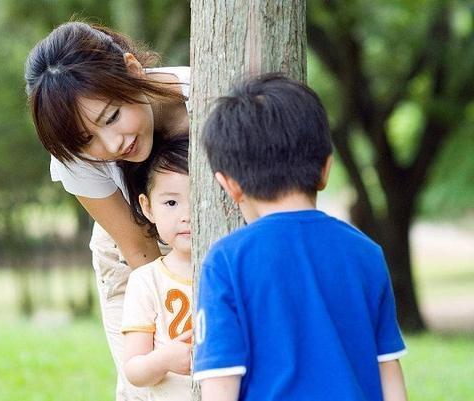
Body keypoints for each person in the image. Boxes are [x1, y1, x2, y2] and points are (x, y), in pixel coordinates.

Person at [193, 73, 408, 401]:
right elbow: (388, 371)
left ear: (229, 185)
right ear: (326, 169)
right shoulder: (366, 252)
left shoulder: (226, 261)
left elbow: (220, 386)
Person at [24, 21, 189, 401]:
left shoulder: (204, 99)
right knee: (152, 386)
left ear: (132, 70)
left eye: (111, 117)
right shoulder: (74, 152)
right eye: (88, 140)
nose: (114, 144)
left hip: (212, 239)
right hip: (132, 253)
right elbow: (139, 250)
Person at [121, 136, 192, 401]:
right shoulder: (146, 281)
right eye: (171, 203)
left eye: (196, 199)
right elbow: (134, 369)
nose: (186, 215)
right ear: (148, 207)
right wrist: (163, 360)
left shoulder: (234, 272)